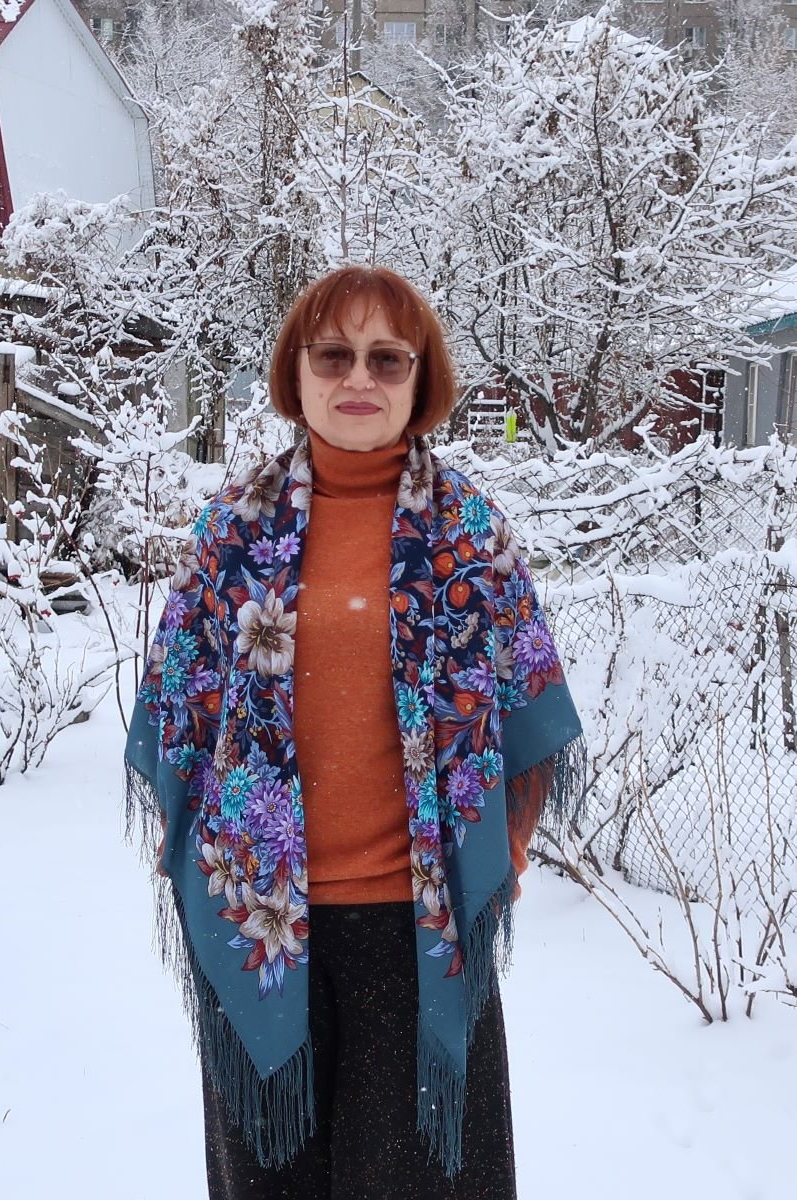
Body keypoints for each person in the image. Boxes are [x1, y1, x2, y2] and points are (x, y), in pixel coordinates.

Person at [124, 265, 584, 1200]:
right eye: (333, 355)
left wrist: (505, 851)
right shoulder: (230, 536)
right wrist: (193, 854)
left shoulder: (470, 535)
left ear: (421, 379)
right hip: (262, 924)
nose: (359, 378)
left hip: (419, 926)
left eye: (387, 358)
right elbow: (178, 712)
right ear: (296, 375)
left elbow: (528, 707)